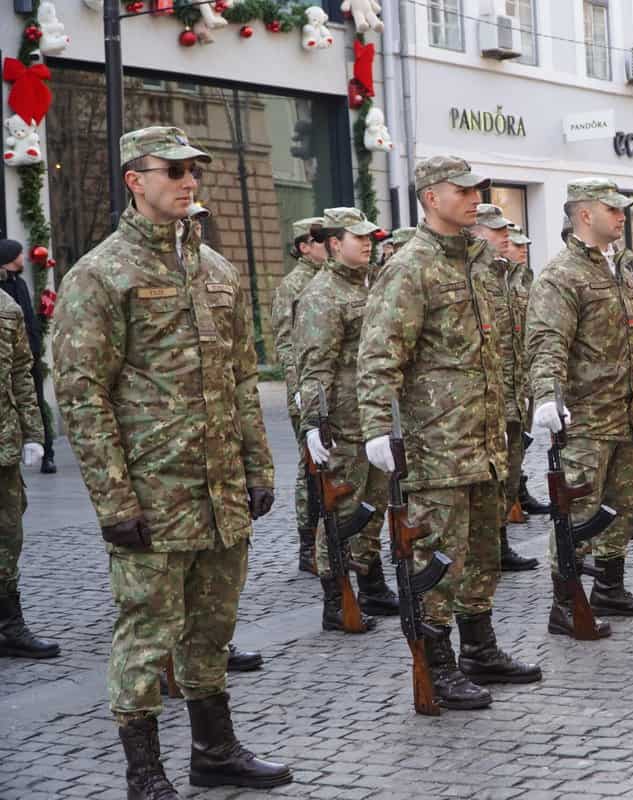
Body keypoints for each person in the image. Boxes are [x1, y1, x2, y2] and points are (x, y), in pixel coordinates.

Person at [52, 126, 291, 798]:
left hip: (221, 494)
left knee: (213, 628)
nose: (188, 182)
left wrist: (258, 468)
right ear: (136, 179)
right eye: (174, 170)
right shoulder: (101, 275)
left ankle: (214, 751)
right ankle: (144, 771)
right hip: (154, 495)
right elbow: (82, 395)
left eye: (195, 171)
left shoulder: (217, 271)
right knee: (147, 635)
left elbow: (243, 378)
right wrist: (114, 501)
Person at [359, 155, 540, 711]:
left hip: (485, 438)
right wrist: (373, 426)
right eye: (462, 191)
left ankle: (479, 649)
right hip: (437, 443)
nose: (475, 198)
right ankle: (435, 667)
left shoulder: (478, 261)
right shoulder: (411, 266)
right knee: (438, 557)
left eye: (478, 189)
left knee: (483, 550)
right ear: (431, 198)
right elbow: (379, 352)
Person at [526, 178, 633, 633]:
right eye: (614, 209)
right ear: (585, 214)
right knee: (579, 514)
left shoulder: (619, 271)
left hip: (626, 415)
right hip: (586, 418)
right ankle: (565, 604)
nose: (623, 216)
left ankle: (609, 587)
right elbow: (547, 342)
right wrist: (547, 395)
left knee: (623, 506)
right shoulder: (562, 274)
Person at [295, 207, 403, 632]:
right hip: (343, 420)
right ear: (335, 244)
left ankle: (371, 583)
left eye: (371, 240)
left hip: (374, 417)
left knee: (373, 507)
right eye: (359, 239)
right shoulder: (322, 295)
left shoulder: (371, 284)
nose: (368, 246)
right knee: (341, 511)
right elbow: (314, 366)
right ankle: (336, 599)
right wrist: (313, 423)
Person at [468, 203, 538, 571]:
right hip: (483, 400)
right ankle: (484, 550)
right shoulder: (473, 276)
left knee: (509, 474)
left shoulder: (508, 278)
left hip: (514, 393)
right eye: (497, 230)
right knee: (486, 479)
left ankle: (499, 542)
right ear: (477, 233)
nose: (506, 236)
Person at [0, 285, 57, 660]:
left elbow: (23, 372)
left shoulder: (6, 307)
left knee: (8, 536)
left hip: (2, 446)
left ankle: (9, 625)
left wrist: (34, 433)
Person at [269, 217, 325, 575]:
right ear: (303, 246)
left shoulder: (333, 279)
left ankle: (333, 540)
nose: (326, 244)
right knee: (311, 468)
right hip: (307, 391)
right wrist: (300, 389)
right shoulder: (293, 286)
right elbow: (286, 344)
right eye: (319, 239)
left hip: (334, 392)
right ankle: (309, 545)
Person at [504, 223, 554, 521]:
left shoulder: (523, 281)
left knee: (520, 442)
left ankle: (517, 493)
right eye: (516, 244)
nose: (523, 249)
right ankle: (508, 507)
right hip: (504, 381)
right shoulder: (496, 282)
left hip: (523, 378)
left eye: (524, 245)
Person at [0, 240, 55, 474]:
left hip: (28, 357)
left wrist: (35, 349)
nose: (23, 257)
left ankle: (46, 451)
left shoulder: (20, 283)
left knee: (36, 400)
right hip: (12, 360)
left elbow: (28, 320)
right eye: (19, 254)